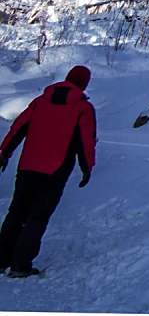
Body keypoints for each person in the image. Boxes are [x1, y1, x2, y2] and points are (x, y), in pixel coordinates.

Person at [0, 64, 96, 278]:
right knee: (38, 217)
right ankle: (20, 266)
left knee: (16, 212)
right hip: (55, 170)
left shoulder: (40, 102)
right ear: (84, 83)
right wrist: (87, 168)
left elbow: (17, 128)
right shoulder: (82, 108)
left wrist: (4, 152)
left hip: (27, 166)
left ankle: (1, 258)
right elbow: (86, 141)